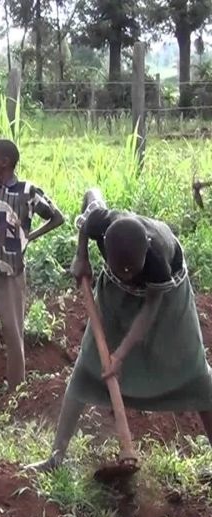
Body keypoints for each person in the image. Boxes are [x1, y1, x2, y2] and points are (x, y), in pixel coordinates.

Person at [29, 190, 212, 471]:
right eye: (120, 269)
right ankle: (56, 457)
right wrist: (82, 257)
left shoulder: (158, 259)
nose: (127, 274)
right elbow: (91, 197)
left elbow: (150, 309)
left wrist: (120, 355)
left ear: (146, 251)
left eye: (132, 269)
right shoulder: (101, 222)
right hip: (115, 295)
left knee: (196, 374)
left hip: (167, 300)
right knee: (88, 367)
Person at [0, 139, 64, 410]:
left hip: (12, 273)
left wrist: (29, 237)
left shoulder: (27, 192)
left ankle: (16, 391)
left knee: (13, 330)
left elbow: (57, 217)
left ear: (5, 162)